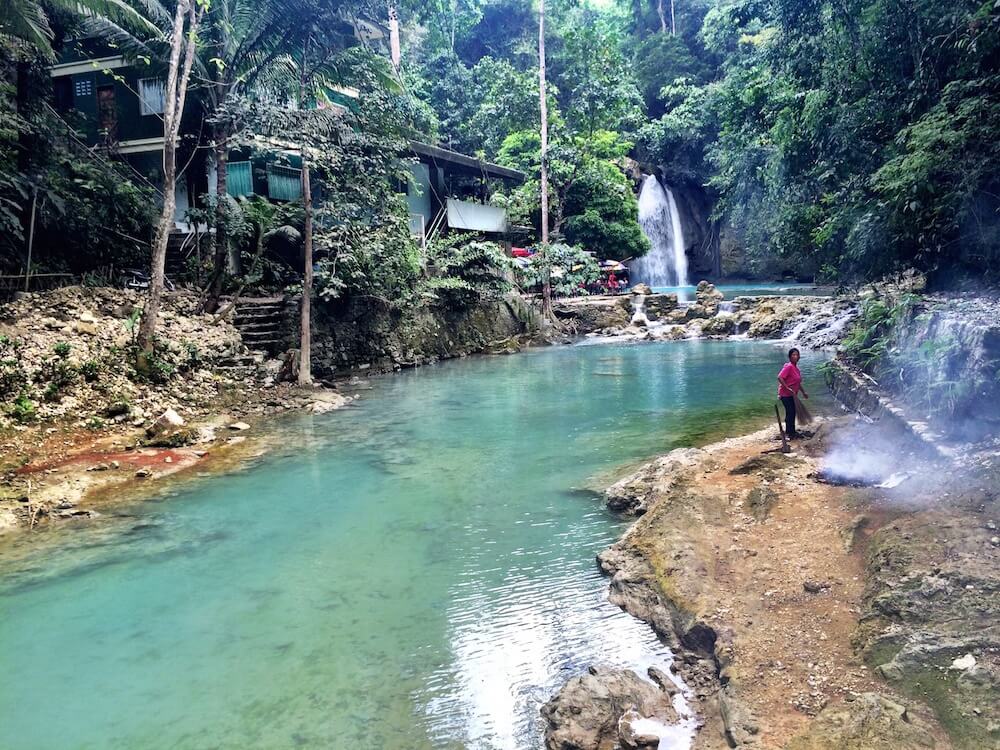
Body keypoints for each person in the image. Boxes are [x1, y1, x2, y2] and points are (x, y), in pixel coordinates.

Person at [777, 347, 808, 438]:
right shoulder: (789, 366)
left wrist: (803, 392)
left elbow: (797, 383)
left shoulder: (796, 368)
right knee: (790, 412)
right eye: (793, 355)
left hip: (792, 395)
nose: (796, 356)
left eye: (797, 355)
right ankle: (789, 433)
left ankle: (792, 431)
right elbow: (779, 377)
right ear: (790, 357)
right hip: (785, 394)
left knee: (792, 412)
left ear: (799, 357)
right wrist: (787, 388)